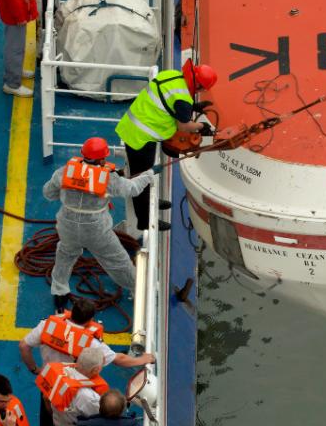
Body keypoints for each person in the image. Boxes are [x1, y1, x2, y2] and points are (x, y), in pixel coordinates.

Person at [20, 296, 154, 426]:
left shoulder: (47, 326)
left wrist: (34, 369)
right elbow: (118, 359)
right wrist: (145, 359)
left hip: (51, 385)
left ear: (72, 312)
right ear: (90, 320)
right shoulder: (90, 344)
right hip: (74, 407)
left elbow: (24, 346)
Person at [42, 136, 159, 310]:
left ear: (83, 154)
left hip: (67, 226)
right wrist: (148, 175)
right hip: (96, 230)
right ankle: (139, 288)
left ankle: (59, 290)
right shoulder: (109, 179)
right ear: (103, 158)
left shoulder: (64, 171)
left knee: (65, 255)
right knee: (117, 261)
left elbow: (48, 194)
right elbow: (132, 189)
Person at [115, 62, 217, 230]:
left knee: (142, 175)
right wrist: (201, 127)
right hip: (141, 138)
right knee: (141, 178)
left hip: (132, 125)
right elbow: (184, 126)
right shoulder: (182, 100)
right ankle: (144, 221)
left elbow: (169, 98)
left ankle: (151, 203)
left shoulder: (171, 75)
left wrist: (194, 106)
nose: (199, 92)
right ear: (197, 84)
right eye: (200, 89)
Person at [36, 346, 109, 426]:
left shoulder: (57, 375)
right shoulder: (88, 397)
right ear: (95, 370)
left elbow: (45, 399)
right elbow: (102, 420)